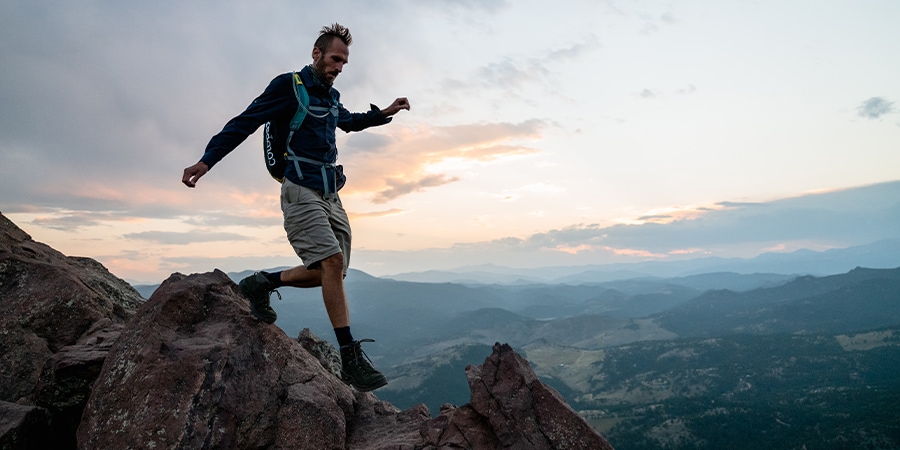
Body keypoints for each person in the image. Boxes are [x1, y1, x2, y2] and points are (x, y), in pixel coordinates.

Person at [181, 23, 409, 392]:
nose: (339, 67)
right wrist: (207, 161)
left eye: (344, 63)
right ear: (316, 54)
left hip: (331, 194)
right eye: (335, 59)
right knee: (332, 263)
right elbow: (245, 122)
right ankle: (350, 359)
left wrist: (385, 112)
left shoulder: (330, 98)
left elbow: (348, 122)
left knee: (329, 273)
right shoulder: (288, 87)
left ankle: (263, 283)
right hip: (299, 189)